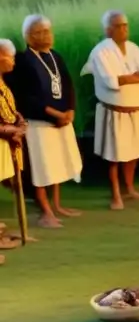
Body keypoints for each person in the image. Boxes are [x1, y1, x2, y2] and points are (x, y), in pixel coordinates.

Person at [81, 11, 139, 210]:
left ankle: (130, 188)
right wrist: (133, 77)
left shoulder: (133, 48)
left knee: (134, 152)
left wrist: (127, 78)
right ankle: (116, 194)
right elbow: (111, 81)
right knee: (115, 155)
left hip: (138, 109)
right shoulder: (101, 51)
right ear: (108, 30)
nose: (124, 29)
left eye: (125, 25)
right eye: (118, 26)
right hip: (115, 112)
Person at [11, 15, 82, 229]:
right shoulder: (24, 60)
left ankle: (57, 205)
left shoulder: (55, 56)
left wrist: (69, 110)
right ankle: (45, 211)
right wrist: (55, 114)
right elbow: (26, 98)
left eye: (48, 31)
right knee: (43, 168)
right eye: (40, 32)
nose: (46, 36)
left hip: (61, 121)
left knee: (58, 164)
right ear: (28, 36)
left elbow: (68, 85)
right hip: (38, 124)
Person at [0, 39, 28, 254]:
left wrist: (19, 123)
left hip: (7, 144)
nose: (13, 62)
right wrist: (12, 131)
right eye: (11, 57)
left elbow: (11, 111)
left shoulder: (3, 84)